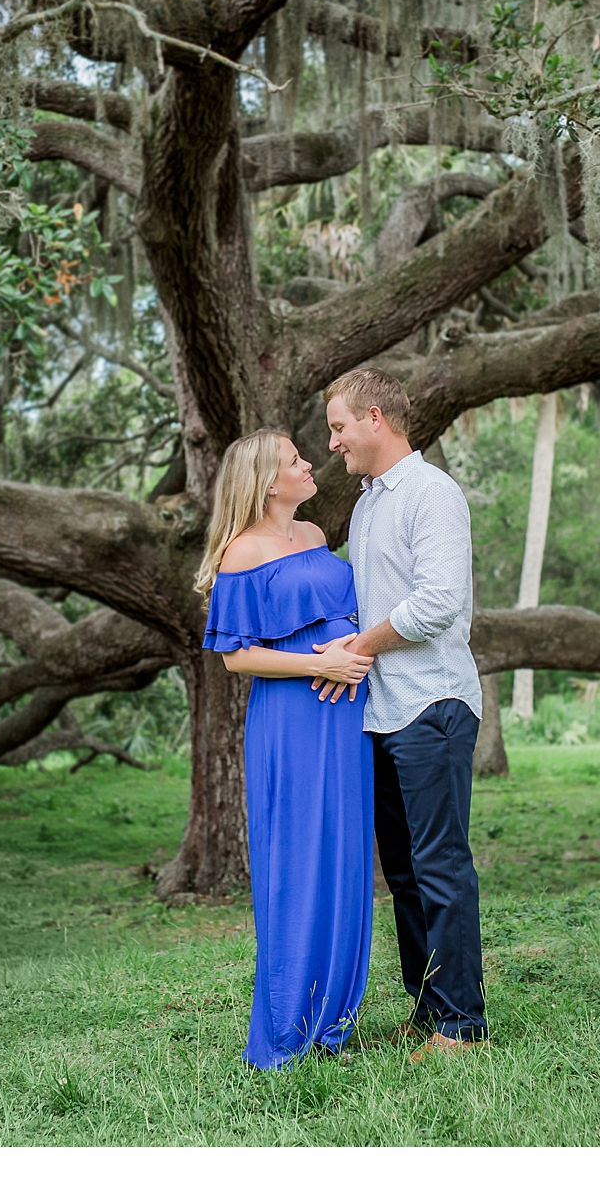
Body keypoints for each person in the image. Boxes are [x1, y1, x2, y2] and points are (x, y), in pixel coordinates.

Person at [318, 367, 489, 1062]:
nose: (331, 444)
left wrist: (358, 644)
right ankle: (427, 1009)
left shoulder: (430, 494)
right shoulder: (365, 505)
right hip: (380, 712)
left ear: (376, 418)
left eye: (337, 427)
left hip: (432, 704)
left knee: (440, 866)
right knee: (406, 874)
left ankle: (462, 1028)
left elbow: (438, 602)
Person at [196, 428, 377, 1069]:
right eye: (297, 459)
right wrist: (316, 667)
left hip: (346, 715)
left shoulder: (315, 537)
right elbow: (235, 656)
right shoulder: (241, 554)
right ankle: (285, 1027)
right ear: (270, 481)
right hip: (294, 719)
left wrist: (351, 656)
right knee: (299, 860)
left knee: (346, 857)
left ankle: (334, 1020)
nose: (311, 463)